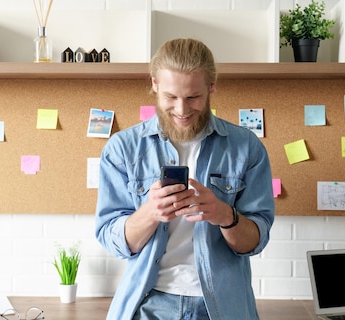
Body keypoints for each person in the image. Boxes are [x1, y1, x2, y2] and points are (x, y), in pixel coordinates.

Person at [95, 38, 275, 320]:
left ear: (211, 88)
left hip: (222, 307)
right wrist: (150, 212)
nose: (182, 109)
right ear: (154, 84)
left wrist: (225, 215)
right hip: (147, 305)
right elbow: (113, 240)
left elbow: (255, 241)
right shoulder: (122, 149)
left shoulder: (246, 147)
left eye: (193, 97)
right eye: (170, 97)